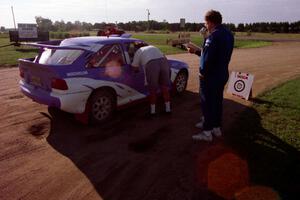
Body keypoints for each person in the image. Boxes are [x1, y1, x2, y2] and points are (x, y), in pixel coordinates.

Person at [189, 10, 234, 141]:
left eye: (205, 22)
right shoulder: (228, 34)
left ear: (210, 22)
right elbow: (214, 54)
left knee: (207, 103)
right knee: (217, 102)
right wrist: (199, 50)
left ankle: (207, 132)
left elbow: (207, 60)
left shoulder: (213, 37)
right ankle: (216, 127)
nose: (205, 25)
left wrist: (202, 73)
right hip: (221, 73)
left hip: (210, 76)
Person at [131, 45, 171, 115]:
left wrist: (136, 70)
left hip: (152, 64)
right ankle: (168, 109)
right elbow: (164, 57)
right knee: (164, 88)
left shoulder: (139, 51)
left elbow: (134, 67)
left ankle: (153, 112)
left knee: (153, 89)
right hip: (164, 62)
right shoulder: (152, 47)